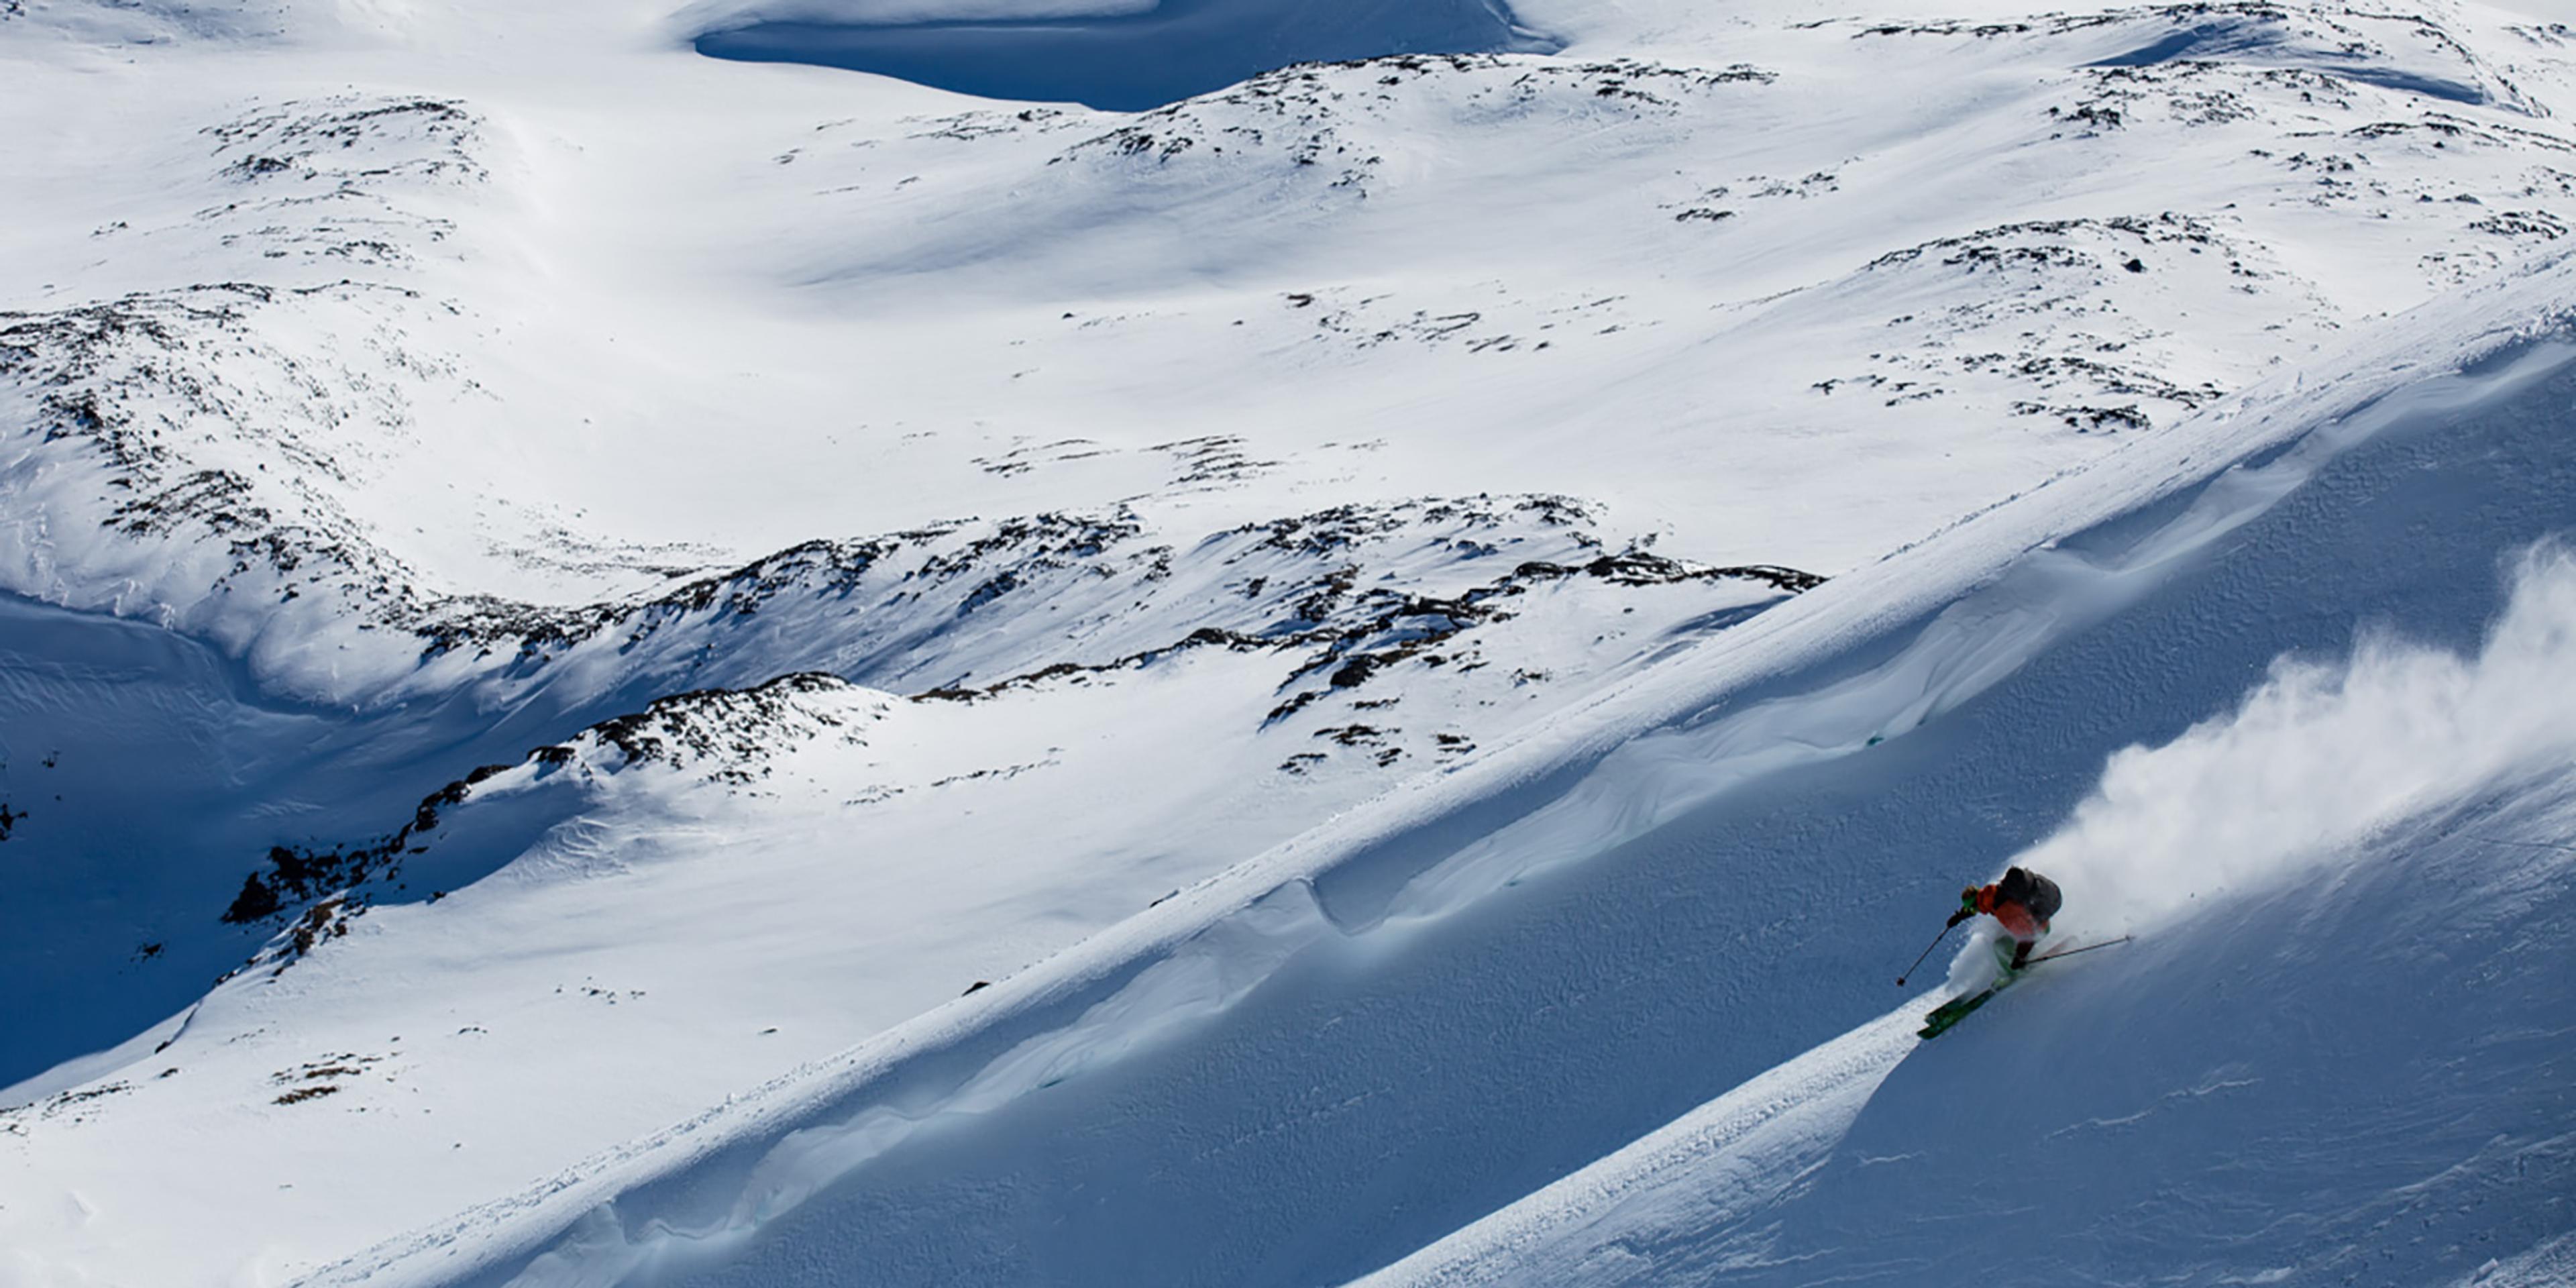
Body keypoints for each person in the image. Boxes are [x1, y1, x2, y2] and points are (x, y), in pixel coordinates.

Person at [1947, 865, 2061, 973]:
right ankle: (2030, 953)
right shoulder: (1993, 893)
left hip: (2040, 928)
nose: (1975, 912)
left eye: (1973, 909)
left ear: (1977, 905)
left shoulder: (2004, 911)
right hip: (2045, 907)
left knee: (2000, 946)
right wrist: (1960, 916)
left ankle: (2013, 972)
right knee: (2007, 936)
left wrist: (2019, 958)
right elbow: (1975, 906)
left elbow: (2028, 934)